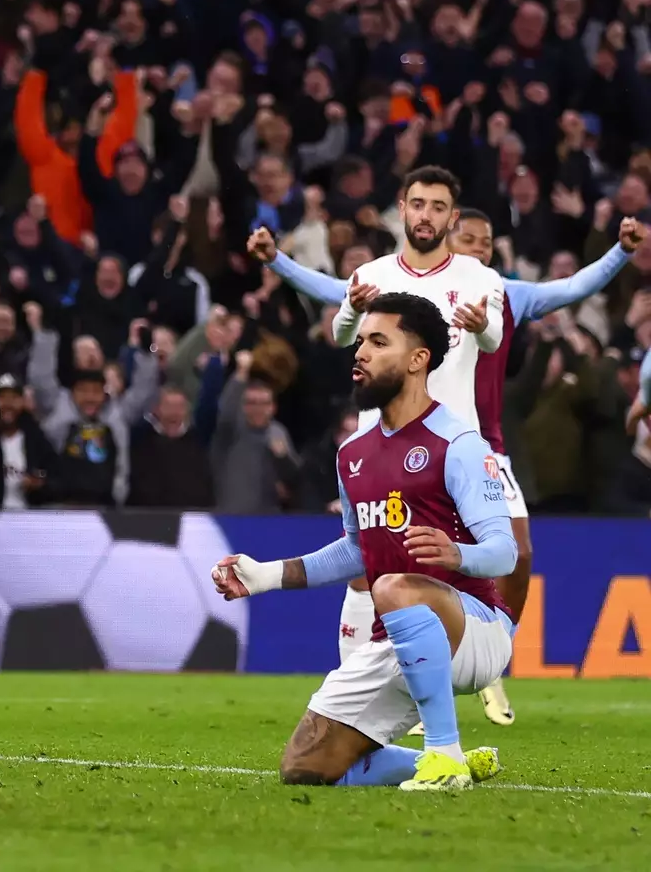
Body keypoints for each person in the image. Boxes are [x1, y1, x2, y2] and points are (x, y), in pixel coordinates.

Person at [248, 212, 646, 725]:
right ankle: (370, 680)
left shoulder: (499, 292)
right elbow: (335, 291)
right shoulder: (404, 302)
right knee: (377, 555)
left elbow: (569, 289)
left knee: (516, 549)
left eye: (486, 242)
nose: (478, 250)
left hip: (479, 447)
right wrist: (278, 260)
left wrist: (620, 252)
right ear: (449, 241)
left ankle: (488, 647)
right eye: (469, 240)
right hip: (407, 444)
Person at [212, 293, 516, 791]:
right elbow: (357, 549)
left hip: (475, 630)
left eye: (379, 341)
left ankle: (445, 754)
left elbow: (504, 551)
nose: (361, 353)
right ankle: (444, 763)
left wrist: (457, 553)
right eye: (360, 342)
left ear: (419, 360)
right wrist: (266, 574)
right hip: (396, 633)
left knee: (393, 586)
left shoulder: (458, 444)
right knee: (306, 767)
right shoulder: (353, 452)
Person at [248, 165, 505, 720]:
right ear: (403, 207)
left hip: (448, 448)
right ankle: (363, 702)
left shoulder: (480, 277)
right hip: (378, 444)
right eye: (418, 203)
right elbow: (342, 334)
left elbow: (495, 339)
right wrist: (348, 307)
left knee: (426, 569)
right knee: (372, 565)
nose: (427, 215)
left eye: (439, 207)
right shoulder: (374, 273)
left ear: (452, 217)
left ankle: (450, 710)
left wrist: (482, 325)